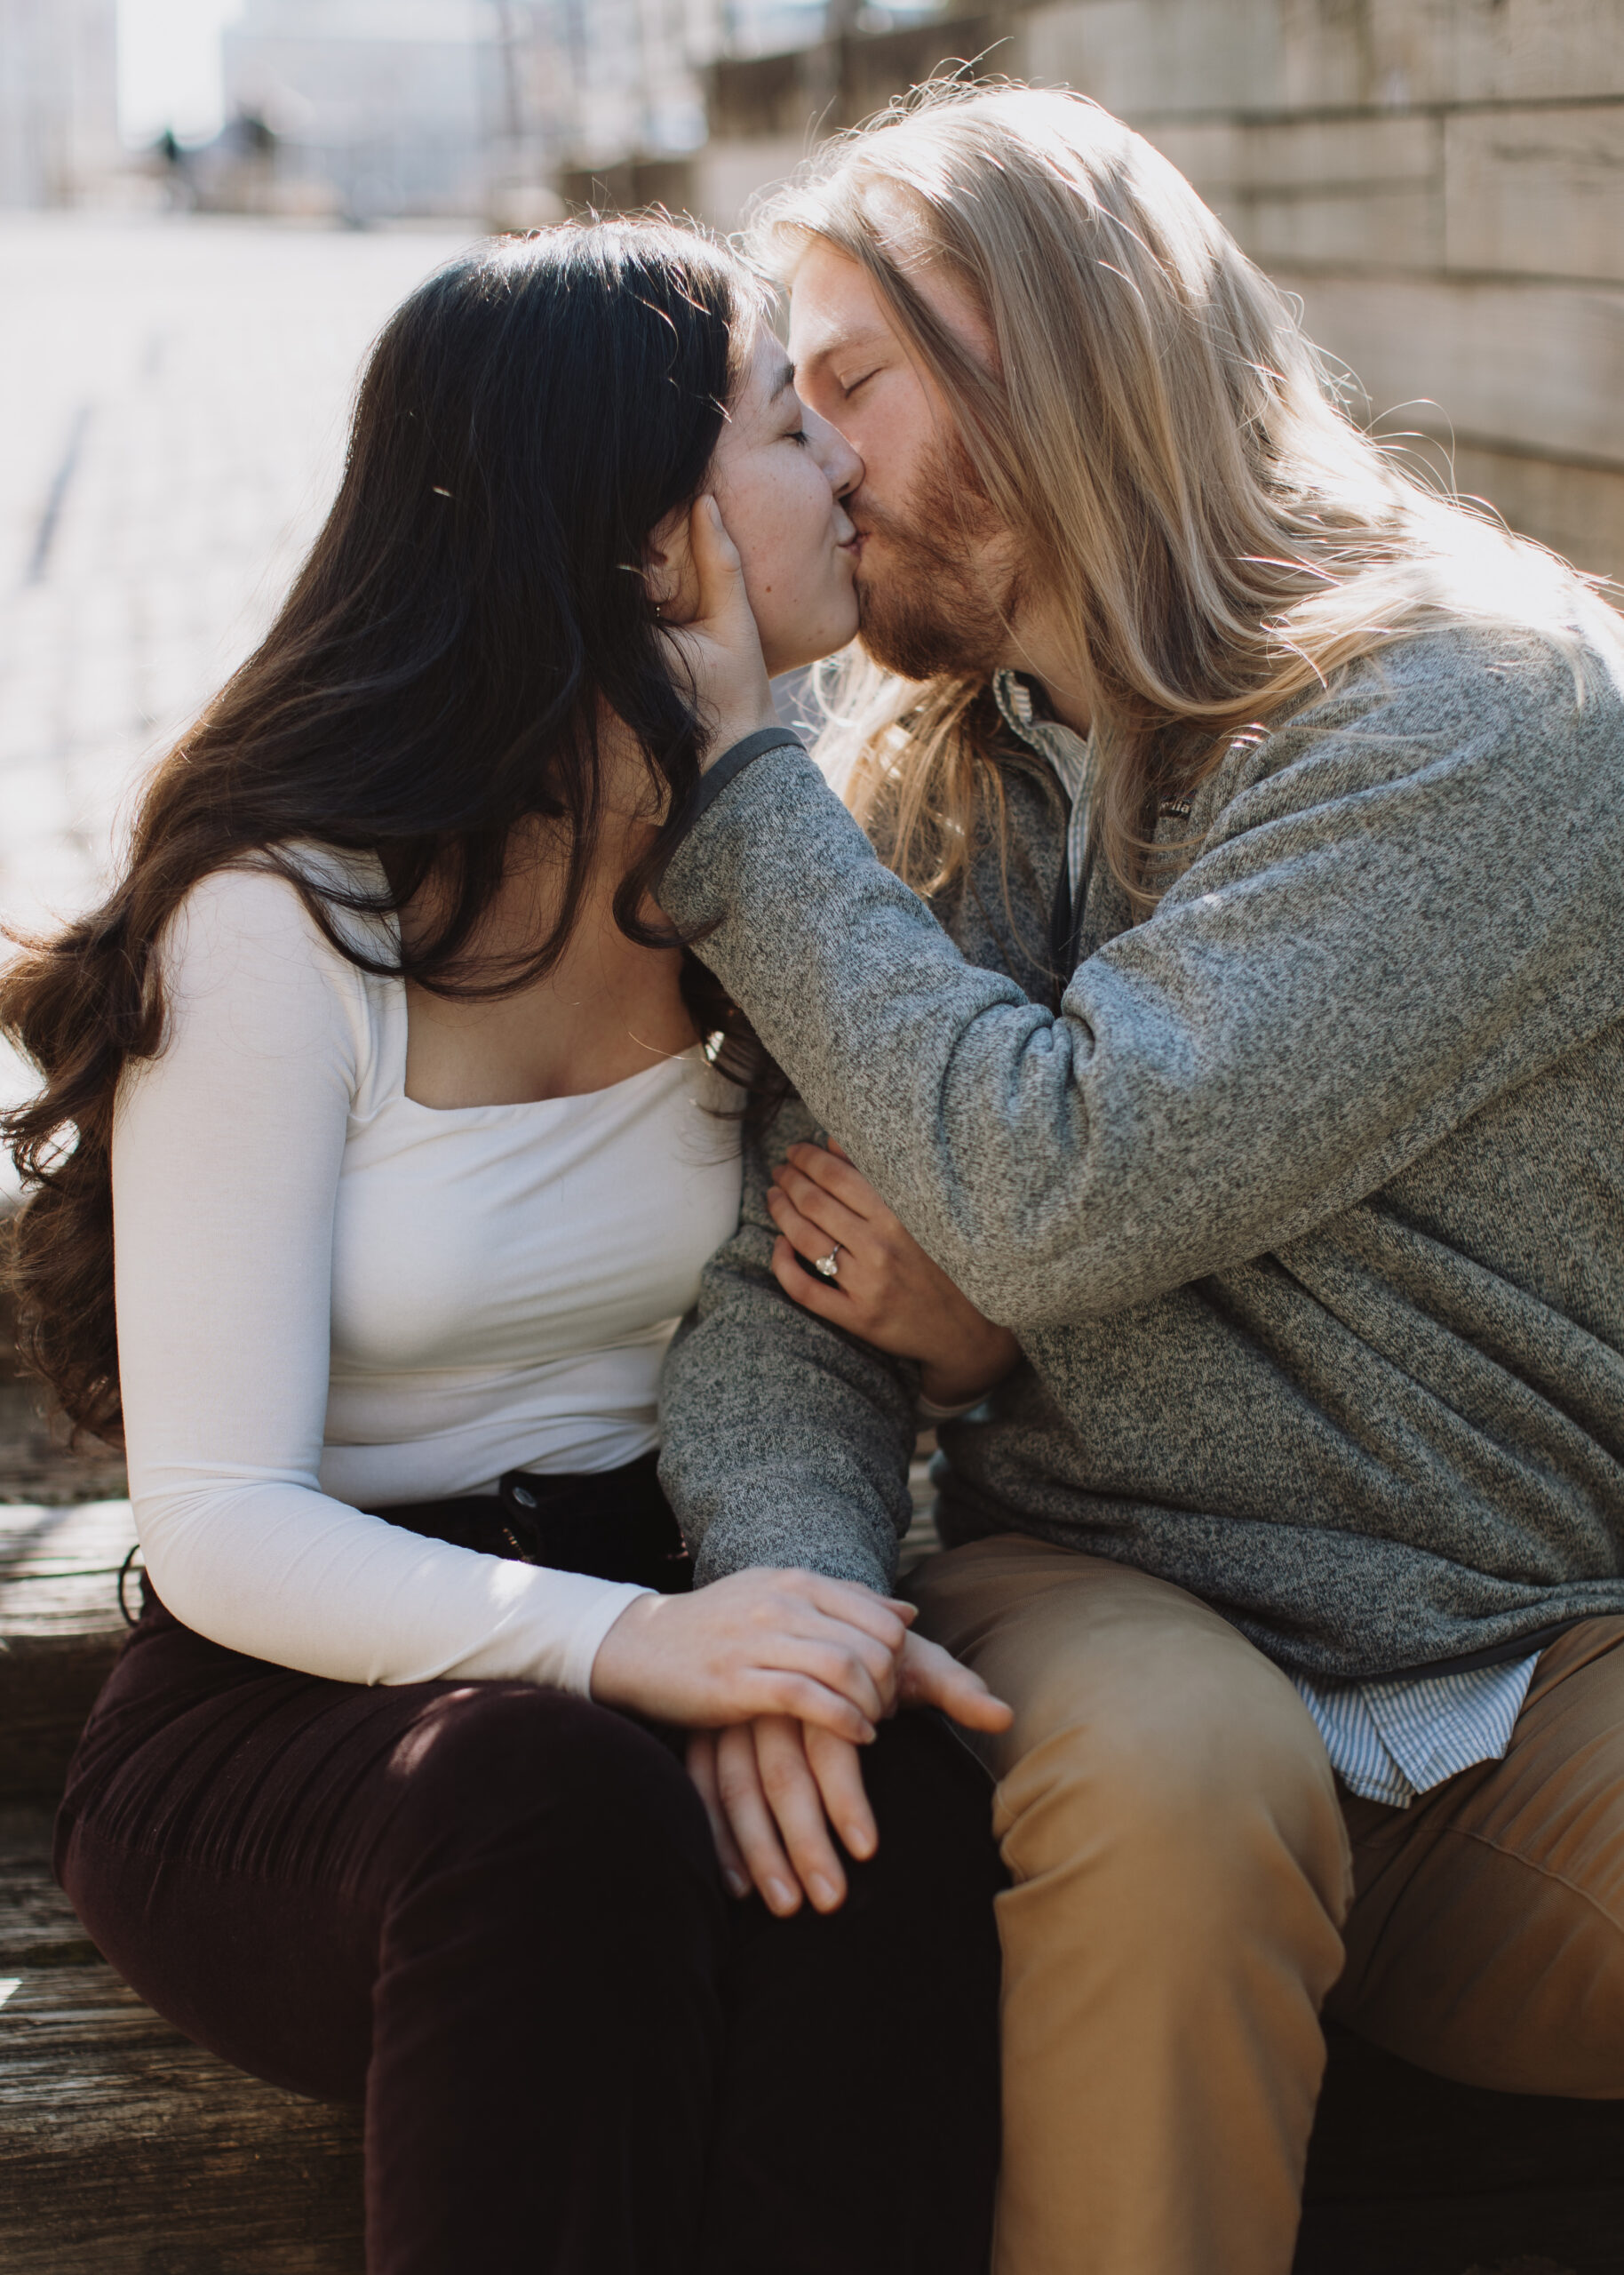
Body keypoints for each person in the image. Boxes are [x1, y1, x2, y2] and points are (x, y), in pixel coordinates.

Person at [649, 85, 1624, 2275]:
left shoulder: (1469, 708)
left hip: (1530, 1656)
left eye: (849, 388)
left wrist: (732, 800)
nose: (805, 470)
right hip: (1120, 1605)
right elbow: (787, 1288)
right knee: (1181, 1782)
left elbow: (1051, 1190)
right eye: (787, 415)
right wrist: (792, 1608)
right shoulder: (924, 795)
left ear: (1047, 344)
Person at [0, 221, 1013, 2275]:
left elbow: (928, 1275)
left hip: (656, 1621)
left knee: (884, 1805)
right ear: (650, 545)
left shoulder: (781, 867)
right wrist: (635, 1650)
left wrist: (743, 1624)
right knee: (553, 1802)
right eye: (777, 422)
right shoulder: (286, 911)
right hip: (306, 1706)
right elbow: (216, 1522)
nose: (838, 465)